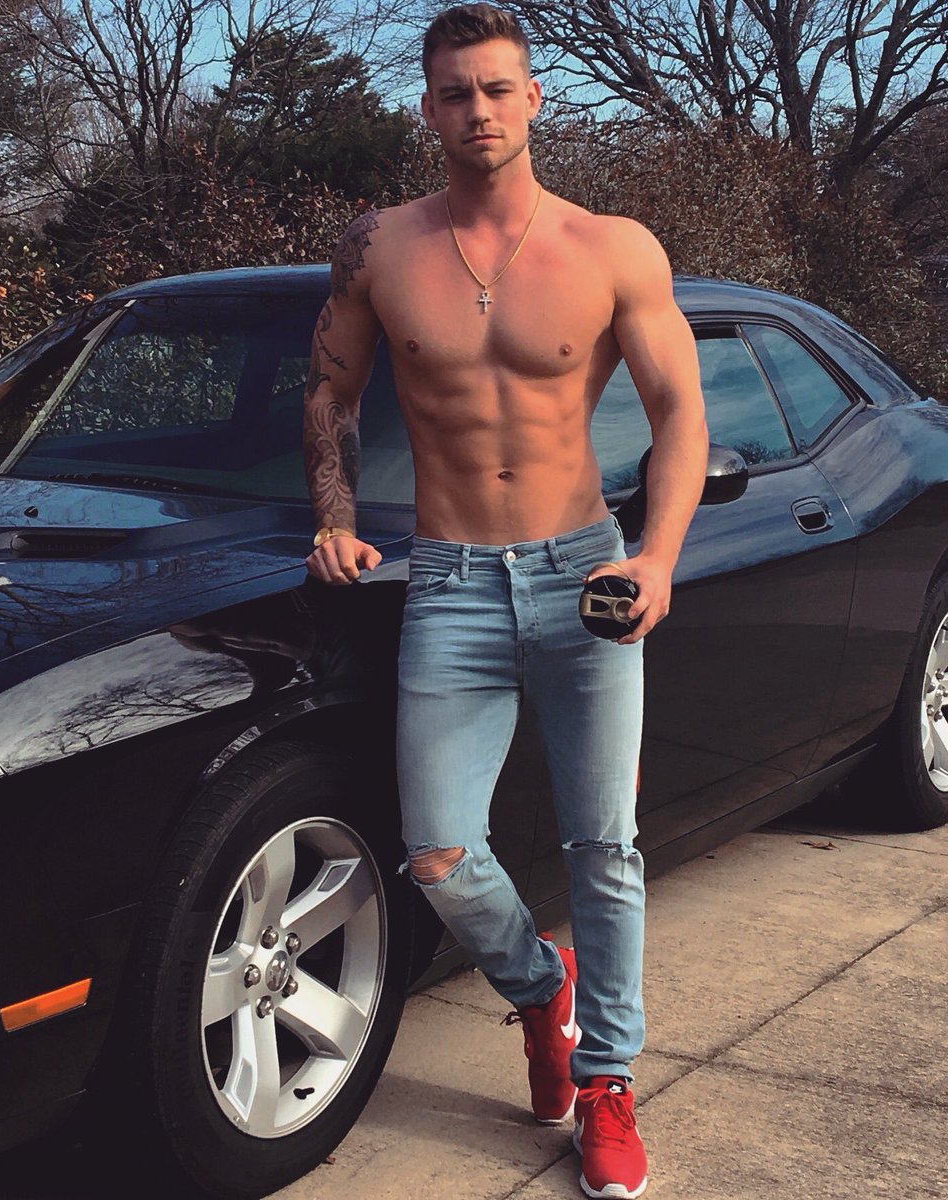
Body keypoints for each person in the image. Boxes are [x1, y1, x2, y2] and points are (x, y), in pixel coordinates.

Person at [302, 5, 708, 1196]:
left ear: (534, 99)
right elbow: (329, 395)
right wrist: (332, 514)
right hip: (451, 581)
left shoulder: (611, 248)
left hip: (586, 578)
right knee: (436, 848)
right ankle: (541, 990)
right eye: (454, 92)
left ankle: (608, 1083)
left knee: (605, 848)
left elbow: (682, 414)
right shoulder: (379, 247)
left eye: (495, 88)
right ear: (427, 108)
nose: (476, 110)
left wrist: (659, 559)